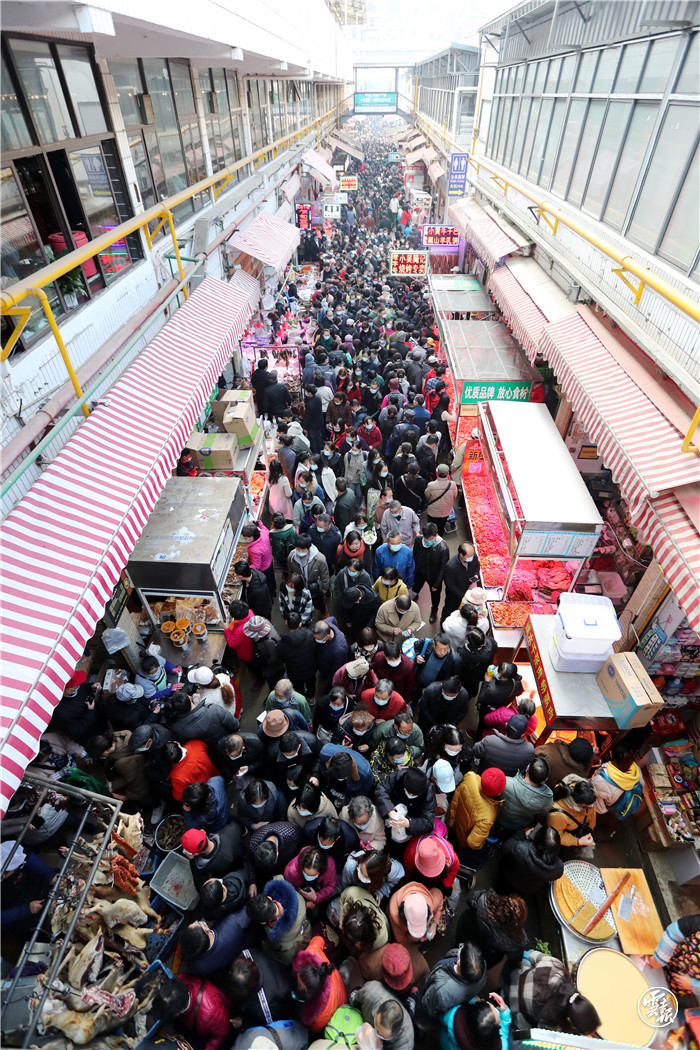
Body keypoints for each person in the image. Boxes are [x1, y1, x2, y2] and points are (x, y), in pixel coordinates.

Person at [506, 951, 601, 1036]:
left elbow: (530, 954)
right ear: (568, 1020)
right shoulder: (546, 1021)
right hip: (508, 992)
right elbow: (519, 1023)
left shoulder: (557, 967)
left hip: (513, 967)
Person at [456, 889, 529, 988]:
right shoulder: (515, 941)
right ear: (516, 923)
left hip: (466, 930)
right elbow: (515, 961)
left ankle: (456, 951)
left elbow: (470, 897)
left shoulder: (485, 901)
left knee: (459, 944)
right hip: (486, 955)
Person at [152, 975, 232, 1050]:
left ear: (177, 1013)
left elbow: (221, 1035)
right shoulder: (180, 982)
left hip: (208, 1028)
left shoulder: (212, 1013)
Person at [415, 942, 487, 1022]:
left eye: (461, 949)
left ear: (459, 962)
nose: (459, 948)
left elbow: (427, 1007)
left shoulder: (442, 990)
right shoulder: (481, 968)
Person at [246, 879, 311, 965]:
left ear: (263, 922)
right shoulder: (291, 894)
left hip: (299, 945)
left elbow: (285, 959)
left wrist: (266, 947)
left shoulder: (282, 942)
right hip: (307, 929)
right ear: (269, 898)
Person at [292, 935, 348, 1033]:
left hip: (341, 1001)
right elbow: (319, 939)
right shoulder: (313, 952)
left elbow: (314, 1029)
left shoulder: (321, 1014)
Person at [496, 757, 554, 837]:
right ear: (546, 779)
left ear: (527, 768)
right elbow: (541, 816)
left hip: (499, 818)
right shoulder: (548, 800)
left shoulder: (506, 783)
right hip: (520, 827)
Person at [352, 981, 415, 1050]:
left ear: (398, 1031)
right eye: (376, 1024)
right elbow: (355, 1001)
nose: (376, 1034)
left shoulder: (405, 1043)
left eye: (382, 1036)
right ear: (381, 1004)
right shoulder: (370, 992)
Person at [649, 913, 700, 996]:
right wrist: (659, 959)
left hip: (680, 985)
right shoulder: (697, 922)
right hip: (667, 959)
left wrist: (693, 985)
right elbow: (675, 931)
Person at [547, 775, 598, 859]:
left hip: (579, 831)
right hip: (567, 838)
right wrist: (578, 841)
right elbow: (556, 836)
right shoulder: (557, 815)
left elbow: (591, 815)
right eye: (590, 805)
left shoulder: (587, 795)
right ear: (582, 804)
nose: (593, 806)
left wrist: (589, 830)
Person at [181, 823, 244, 889]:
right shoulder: (232, 828)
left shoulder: (203, 871)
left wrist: (192, 861)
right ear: (203, 832)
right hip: (241, 861)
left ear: (195, 854)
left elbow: (201, 887)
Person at [591, 742, 643, 819]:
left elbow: (601, 809)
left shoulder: (601, 779)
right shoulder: (636, 769)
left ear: (611, 754)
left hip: (612, 806)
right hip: (627, 800)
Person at [439, 995, 511, 1050]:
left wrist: (472, 999)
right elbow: (503, 1033)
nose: (497, 1010)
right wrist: (504, 1012)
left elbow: (440, 1016)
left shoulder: (454, 1016)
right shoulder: (502, 1047)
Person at [412, 522, 449, 623]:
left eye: (431, 539)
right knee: (415, 588)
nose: (428, 541)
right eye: (426, 539)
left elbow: (443, 568)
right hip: (420, 572)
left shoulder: (443, 548)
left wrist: (437, 583)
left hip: (433, 576)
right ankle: (415, 595)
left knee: (435, 595)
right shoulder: (419, 540)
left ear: (436, 535)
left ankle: (434, 609)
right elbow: (415, 555)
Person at [284, 845, 337, 914]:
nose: (308, 878)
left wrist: (316, 897)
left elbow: (331, 886)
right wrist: (305, 904)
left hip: (319, 895)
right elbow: (288, 891)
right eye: (305, 873)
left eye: (313, 875)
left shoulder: (329, 866)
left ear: (320, 871)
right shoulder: (291, 871)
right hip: (299, 899)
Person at [288, 534, 331, 614]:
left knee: (318, 602)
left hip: (314, 586)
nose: (300, 552)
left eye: (303, 550)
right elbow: (290, 571)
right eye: (298, 549)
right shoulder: (292, 556)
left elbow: (324, 574)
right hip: (300, 586)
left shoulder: (319, 559)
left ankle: (324, 611)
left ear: (309, 548)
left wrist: (325, 588)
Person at [277, 612, 317, 698]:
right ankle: (311, 699)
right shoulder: (309, 635)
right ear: (300, 623)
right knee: (311, 684)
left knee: (298, 688)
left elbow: (282, 658)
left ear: (286, 623)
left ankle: (302, 699)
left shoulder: (281, 643)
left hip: (294, 673)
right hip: (310, 669)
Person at [442, 544, 482, 621]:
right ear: (461, 555)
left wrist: (476, 574)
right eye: (470, 556)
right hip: (455, 595)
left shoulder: (473, 556)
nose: (472, 557)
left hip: (467, 588)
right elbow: (450, 585)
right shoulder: (450, 566)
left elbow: (477, 566)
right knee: (449, 610)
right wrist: (464, 596)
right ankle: (443, 623)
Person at [423, 463, 458, 535]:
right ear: (447, 473)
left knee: (431, 526)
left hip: (433, 512)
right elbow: (455, 495)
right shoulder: (453, 484)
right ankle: (439, 537)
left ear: (437, 473)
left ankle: (431, 536)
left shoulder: (431, 485)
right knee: (441, 526)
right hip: (445, 512)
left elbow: (426, 495)